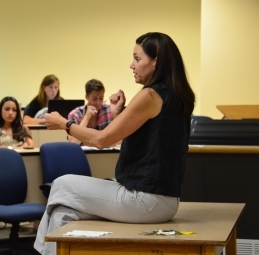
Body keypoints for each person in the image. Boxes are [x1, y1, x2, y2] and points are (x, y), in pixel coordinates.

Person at [34, 32, 195, 255]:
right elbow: (146, 140)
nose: (132, 65)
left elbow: (101, 140)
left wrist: (65, 123)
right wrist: (119, 113)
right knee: (63, 212)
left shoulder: (150, 94)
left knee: (61, 184)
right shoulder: (176, 95)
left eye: (137, 59)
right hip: (164, 200)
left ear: (155, 62)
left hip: (146, 199)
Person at [67, 79, 114, 145]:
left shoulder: (110, 111)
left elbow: (121, 139)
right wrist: (87, 117)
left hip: (106, 154)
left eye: (101, 98)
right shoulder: (75, 115)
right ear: (86, 97)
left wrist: (86, 142)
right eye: (94, 99)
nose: (98, 102)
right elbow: (74, 143)